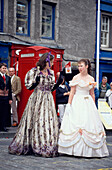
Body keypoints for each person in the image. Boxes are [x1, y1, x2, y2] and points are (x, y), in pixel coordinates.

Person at [8, 52, 61, 157]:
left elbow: (51, 88)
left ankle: (46, 144)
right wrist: (36, 82)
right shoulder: (34, 71)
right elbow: (29, 86)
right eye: (51, 61)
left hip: (48, 99)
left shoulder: (51, 72)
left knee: (47, 121)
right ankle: (34, 144)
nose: (52, 63)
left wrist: (58, 83)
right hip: (37, 98)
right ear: (46, 61)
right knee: (36, 120)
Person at [58, 59, 109, 157]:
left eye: (81, 66)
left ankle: (89, 150)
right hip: (77, 101)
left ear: (87, 66)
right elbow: (72, 92)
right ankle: (72, 150)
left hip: (87, 102)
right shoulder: (76, 78)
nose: (79, 68)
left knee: (89, 124)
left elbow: (92, 93)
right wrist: (69, 104)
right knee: (76, 123)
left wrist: (94, 106)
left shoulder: (91, 79)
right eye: (78, 66)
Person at [0, 63, 12, 132]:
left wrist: (10, 98)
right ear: (0, 69)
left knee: (5, 112)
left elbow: (10, 89)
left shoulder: (8, 78)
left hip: (6, 97)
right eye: (3, 68)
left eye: (5, 68)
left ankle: (4, 126)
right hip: (0, 96)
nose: (4, 69)